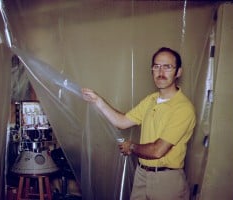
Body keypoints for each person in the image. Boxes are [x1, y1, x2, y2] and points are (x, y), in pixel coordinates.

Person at [81, 47, 196, 200]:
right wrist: (98, 101)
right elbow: (121, 122)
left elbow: (158, 151)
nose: (161, 72)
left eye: (167, 67)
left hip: (166, 180)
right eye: (156, 66)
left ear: (178, 72)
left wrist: (132, 147)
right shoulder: (151, 100)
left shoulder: (183, 108)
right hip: (141, 174)